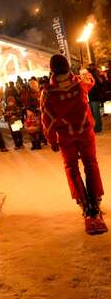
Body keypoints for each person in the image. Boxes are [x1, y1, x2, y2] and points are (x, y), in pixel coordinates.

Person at [41, 54, 107, 235]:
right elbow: (91, 80)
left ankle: (83, 202)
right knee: (91, 163)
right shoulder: (79, 83)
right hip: (85, 132)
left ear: (52, 70)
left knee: (71, 166)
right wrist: (85, 72)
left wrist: (52, 140)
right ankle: (95, 199)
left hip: (65, 136)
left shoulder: (47, 92)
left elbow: (46, 118)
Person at [87, 64, 104, 133]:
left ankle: (98, 127)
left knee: (96, 113)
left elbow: (97, 87)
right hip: (91, 97)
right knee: (93, 113)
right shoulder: (94, 77)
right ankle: (96, 126)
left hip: (94, 97)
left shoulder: (95, 78)